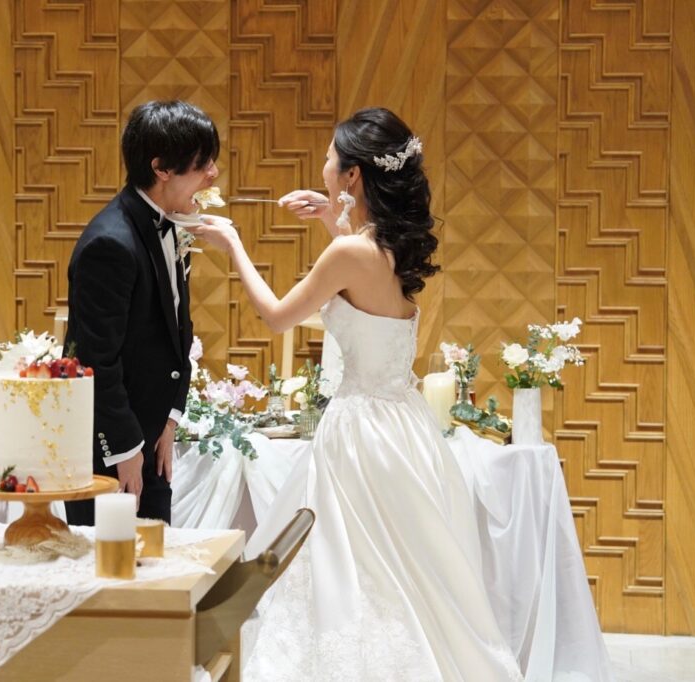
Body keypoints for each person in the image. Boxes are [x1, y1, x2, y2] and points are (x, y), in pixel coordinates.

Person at [188, 108, 523, 680]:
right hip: (403, 428)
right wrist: (331, 219)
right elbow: (363, 287)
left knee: (353, 566)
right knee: (395, 570)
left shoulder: (351, 254)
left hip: (360, 434)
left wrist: (233, 244)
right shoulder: (389, 248)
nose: (322, 167)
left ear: (352, 176)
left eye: (329, 159)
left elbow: (276, 316)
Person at [64, 100, 219, 525]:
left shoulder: (172, 223)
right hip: (110, 454)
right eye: (203, 163)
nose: (213, 174)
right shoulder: (110, 243)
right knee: (107, 564)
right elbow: (93, 361)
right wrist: (125, 449)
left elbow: (178, 332)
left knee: (154, 560)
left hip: (152, 441)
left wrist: (170, 418)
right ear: (161, 168)